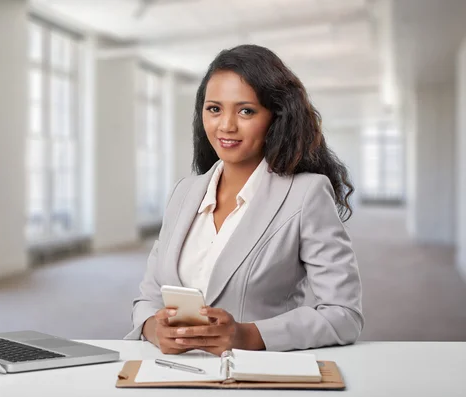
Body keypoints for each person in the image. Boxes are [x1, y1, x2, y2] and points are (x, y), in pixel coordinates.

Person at [124, 44, 363, 355]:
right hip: (176, 374)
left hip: (255, 376)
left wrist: (248, 336)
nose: (226, 125)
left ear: (275, 116)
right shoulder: (184, 192)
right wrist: (154, 329)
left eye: (246, 111)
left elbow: (344, 315)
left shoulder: (307, 194)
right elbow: (149, 297)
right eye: (214, 109)